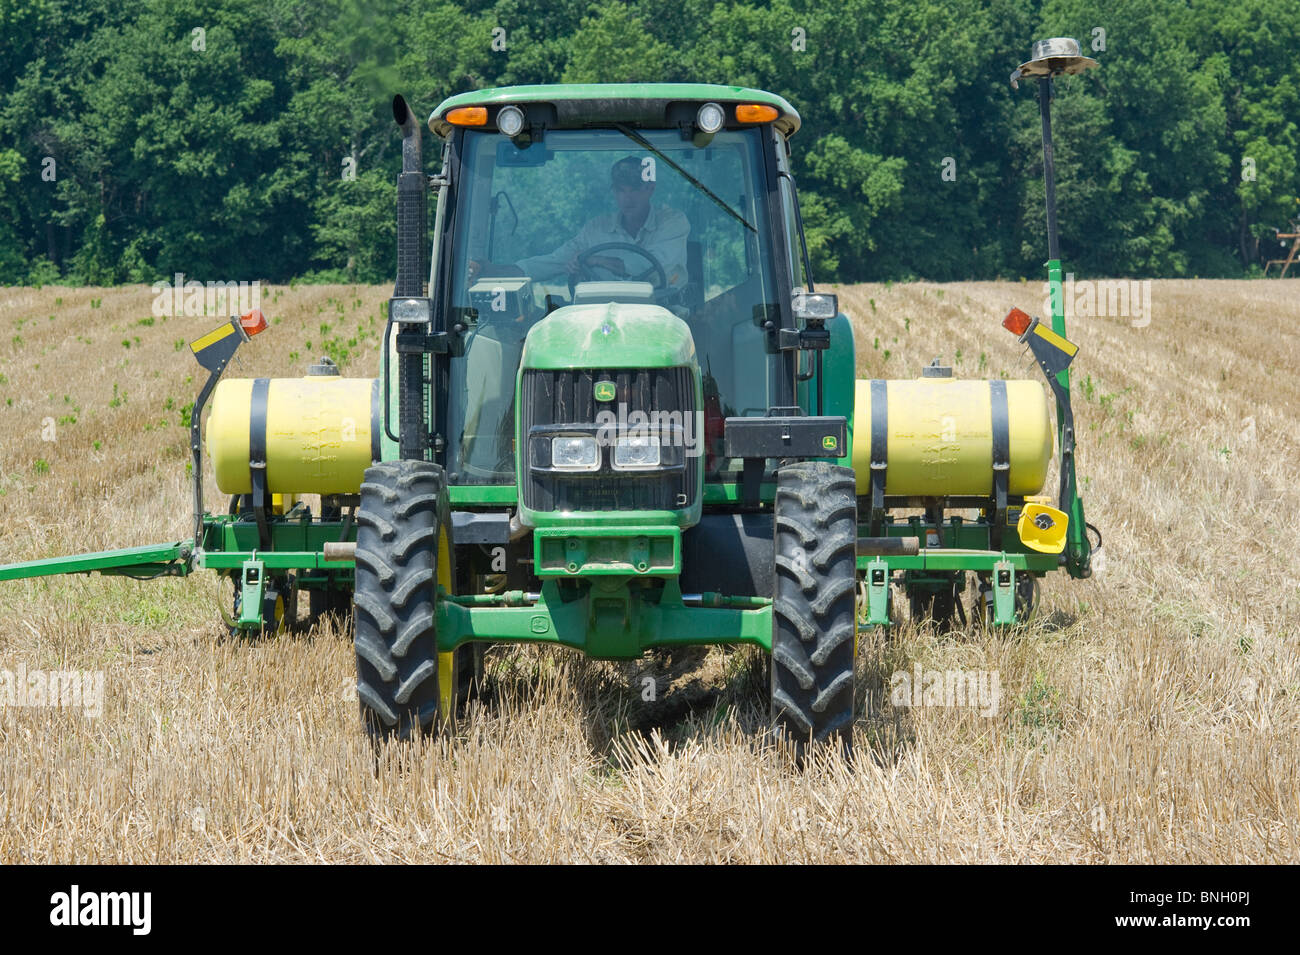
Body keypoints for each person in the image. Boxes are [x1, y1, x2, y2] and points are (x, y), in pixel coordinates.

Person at [469, 156, 690, 289]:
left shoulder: (672, 223)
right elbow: (552, 262)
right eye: (621, 190)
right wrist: (493, 271)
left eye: (634, 190)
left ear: (649, 189)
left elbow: (653, 266)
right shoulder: (596, 229)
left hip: (665, 314)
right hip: (601, 317)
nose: (627, 198)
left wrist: (597, 260)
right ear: (613, 191)